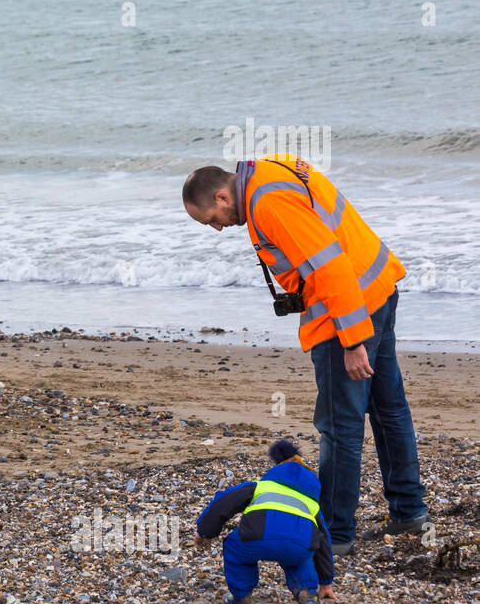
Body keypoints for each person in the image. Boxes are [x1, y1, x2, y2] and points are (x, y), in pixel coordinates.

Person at [183, 154, 429, 555]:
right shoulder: (269, 170)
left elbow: (329, 266)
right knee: (388, 409)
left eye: (211, 218)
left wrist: (351, 340)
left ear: (224, 196)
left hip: (345, 310)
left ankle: (335, 534)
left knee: (340, 424)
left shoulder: (268, 203)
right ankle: (409, 513)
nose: (216, 228)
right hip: (376, 286)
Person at [194, 439, 336, 604]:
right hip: (297, 546)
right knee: (304, 554)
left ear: (274, 473)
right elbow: (324, 543)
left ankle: (241, 596)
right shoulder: (311, 505)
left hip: (257, 538)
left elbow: (223, 504)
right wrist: (326, 581)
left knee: (234, 547)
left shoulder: (260, 487)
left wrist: (205, 532)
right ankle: (306, 592)